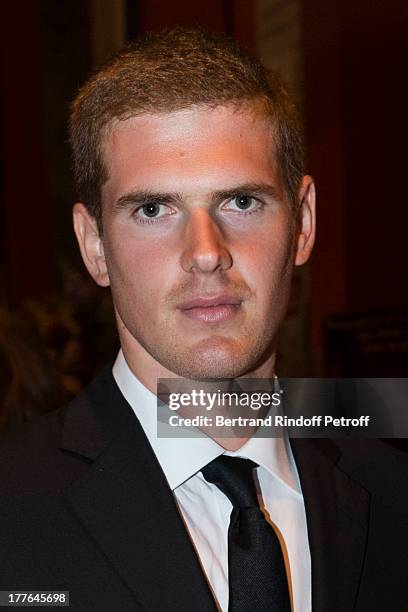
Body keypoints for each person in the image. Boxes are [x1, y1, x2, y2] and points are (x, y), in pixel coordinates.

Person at [0, 28, 407, 612]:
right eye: (152, 209)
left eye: (241, 202)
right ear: (93, 246)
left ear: (304, 222)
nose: (206, 251)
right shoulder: (12, 513)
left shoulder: (393, 493)